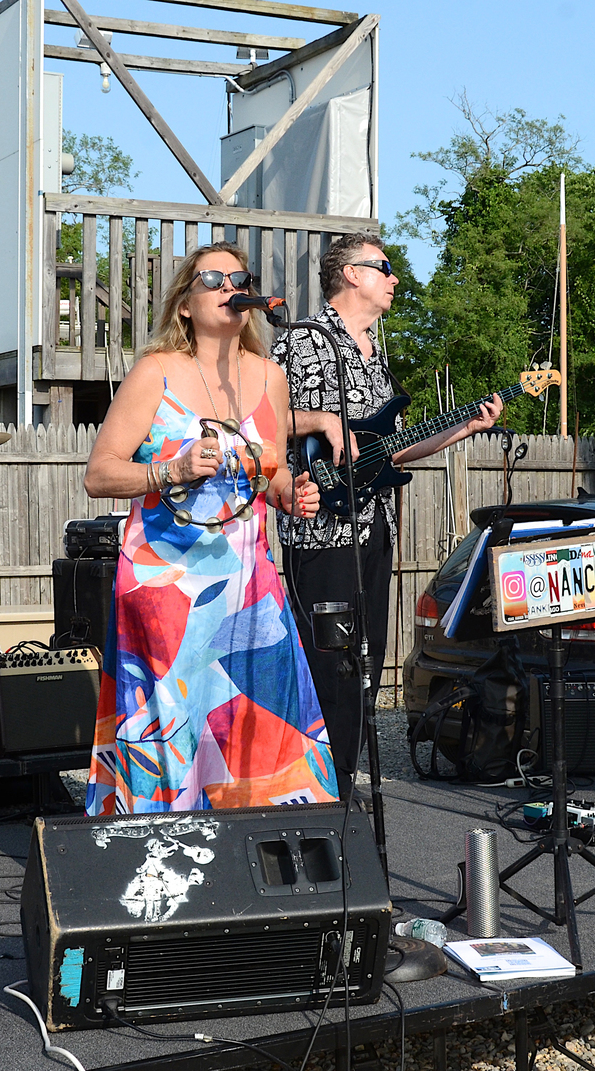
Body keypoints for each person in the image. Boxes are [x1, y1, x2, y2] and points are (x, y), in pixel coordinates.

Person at [82, 242, 333, 814]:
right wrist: (170, 468)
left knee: (265, 725)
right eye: (212, 279)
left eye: (237, 278)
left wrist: (292, 493)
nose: (229, 287)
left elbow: (271, 470)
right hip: (168, 583)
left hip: (249, 581)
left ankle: (263, 867)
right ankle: (163, 864)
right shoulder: (156, 372)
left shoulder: (270, 376)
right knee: (174, 730)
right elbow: (99, 474)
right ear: (185, 306)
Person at [273, 233, 501, 800]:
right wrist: (322, 421)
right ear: (350, 274)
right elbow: (261, 417)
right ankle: (313, 790)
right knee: (326, 661)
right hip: (320, 525)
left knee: (363, 662)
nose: (395, 278)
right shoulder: (306, 341)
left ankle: (344, 787)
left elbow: (386, 451)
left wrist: (462, 429)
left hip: (374, 525)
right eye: (385, 267)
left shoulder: (375, 352)